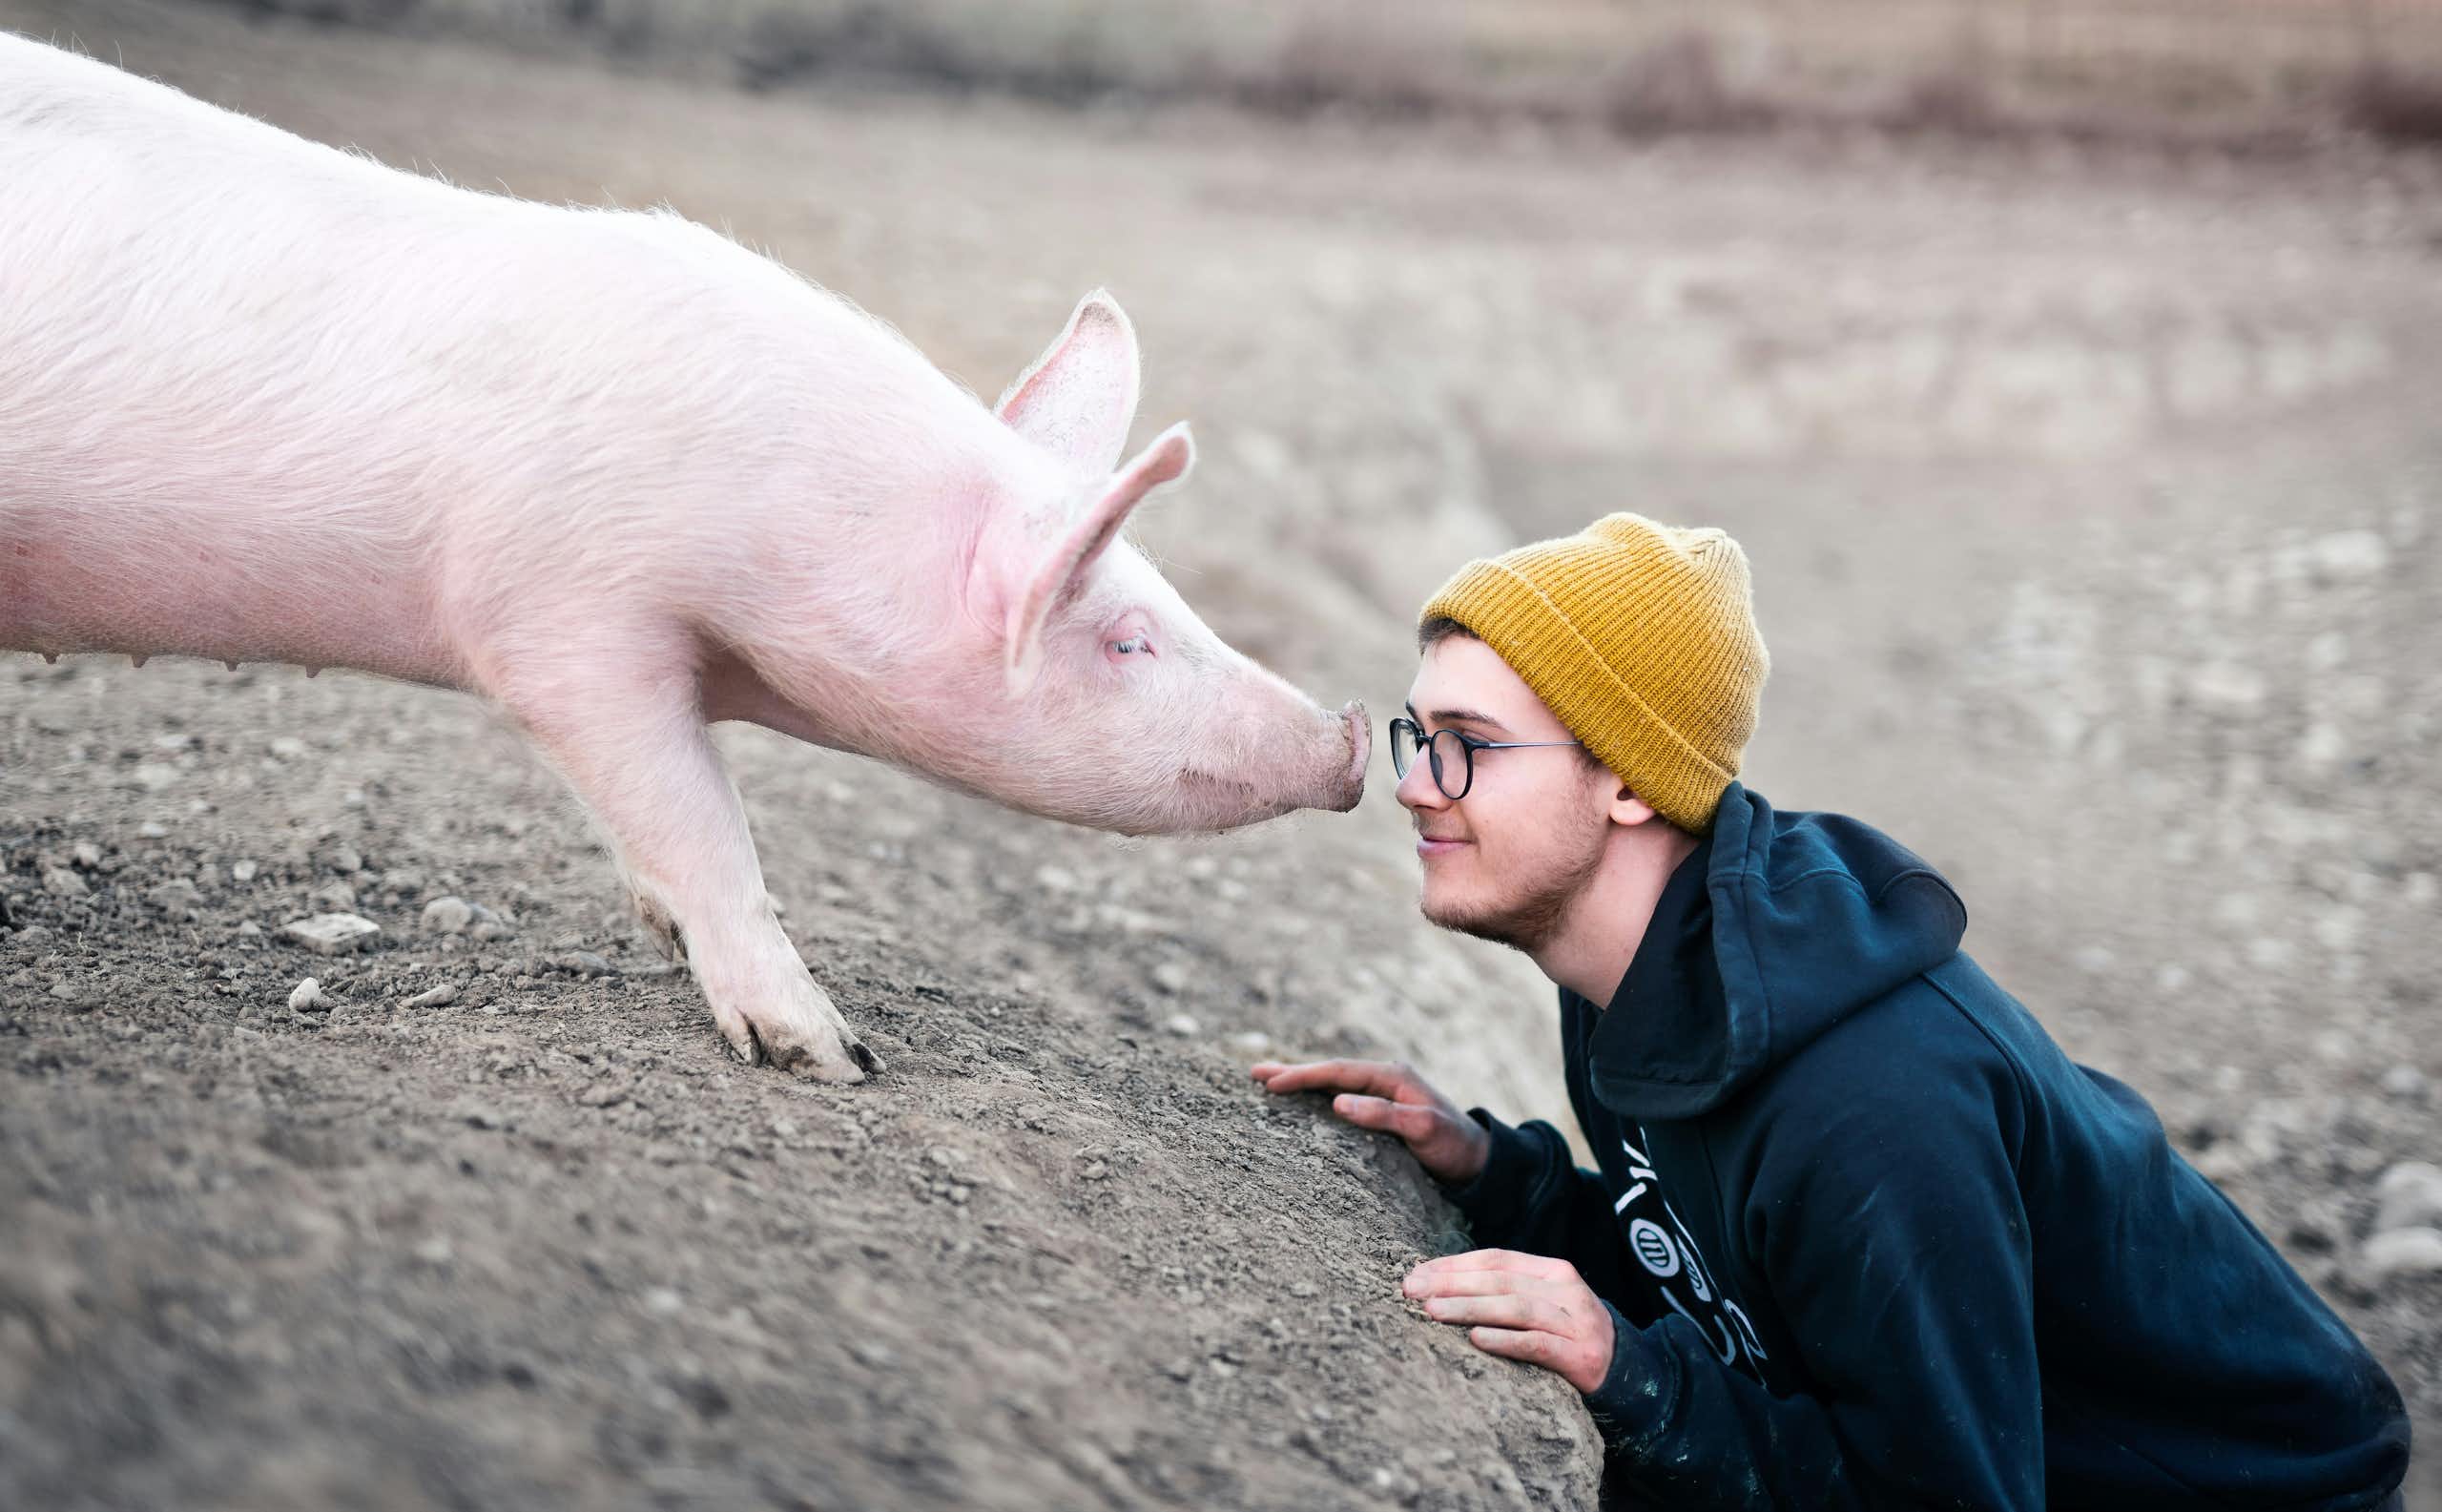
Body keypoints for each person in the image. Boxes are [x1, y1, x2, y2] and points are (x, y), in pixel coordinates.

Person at [1252, 514, 2410, 1509]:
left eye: (1469, 747)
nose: (1412, 782)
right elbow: (1728, 1269)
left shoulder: (1869, 1105)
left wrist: (1640, 1380)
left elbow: (1948, 1494)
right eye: (1420, 736)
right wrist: (1502, 1181)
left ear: (1629, 780)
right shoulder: (1630, 978)